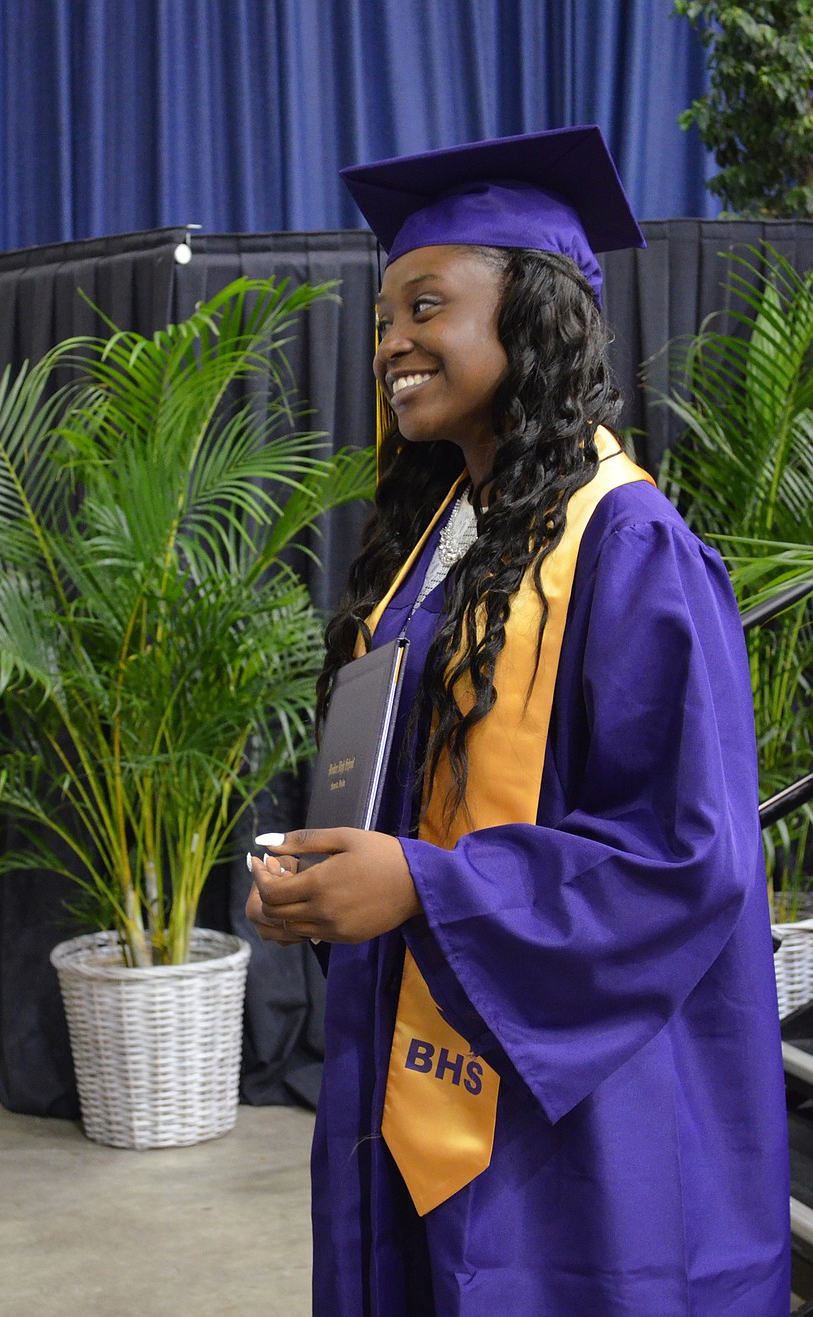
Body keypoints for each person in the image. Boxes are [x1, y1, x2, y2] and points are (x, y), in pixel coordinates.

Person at [246, 126, 790, 1315]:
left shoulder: (629, 544)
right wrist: (325, 876)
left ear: (531, 315)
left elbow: (685, 853)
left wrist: (423, 890)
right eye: (384, 315)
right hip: (413, 1053)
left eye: (426, 304)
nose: (392, 342)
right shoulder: (441, 542)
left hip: (574, 1099)